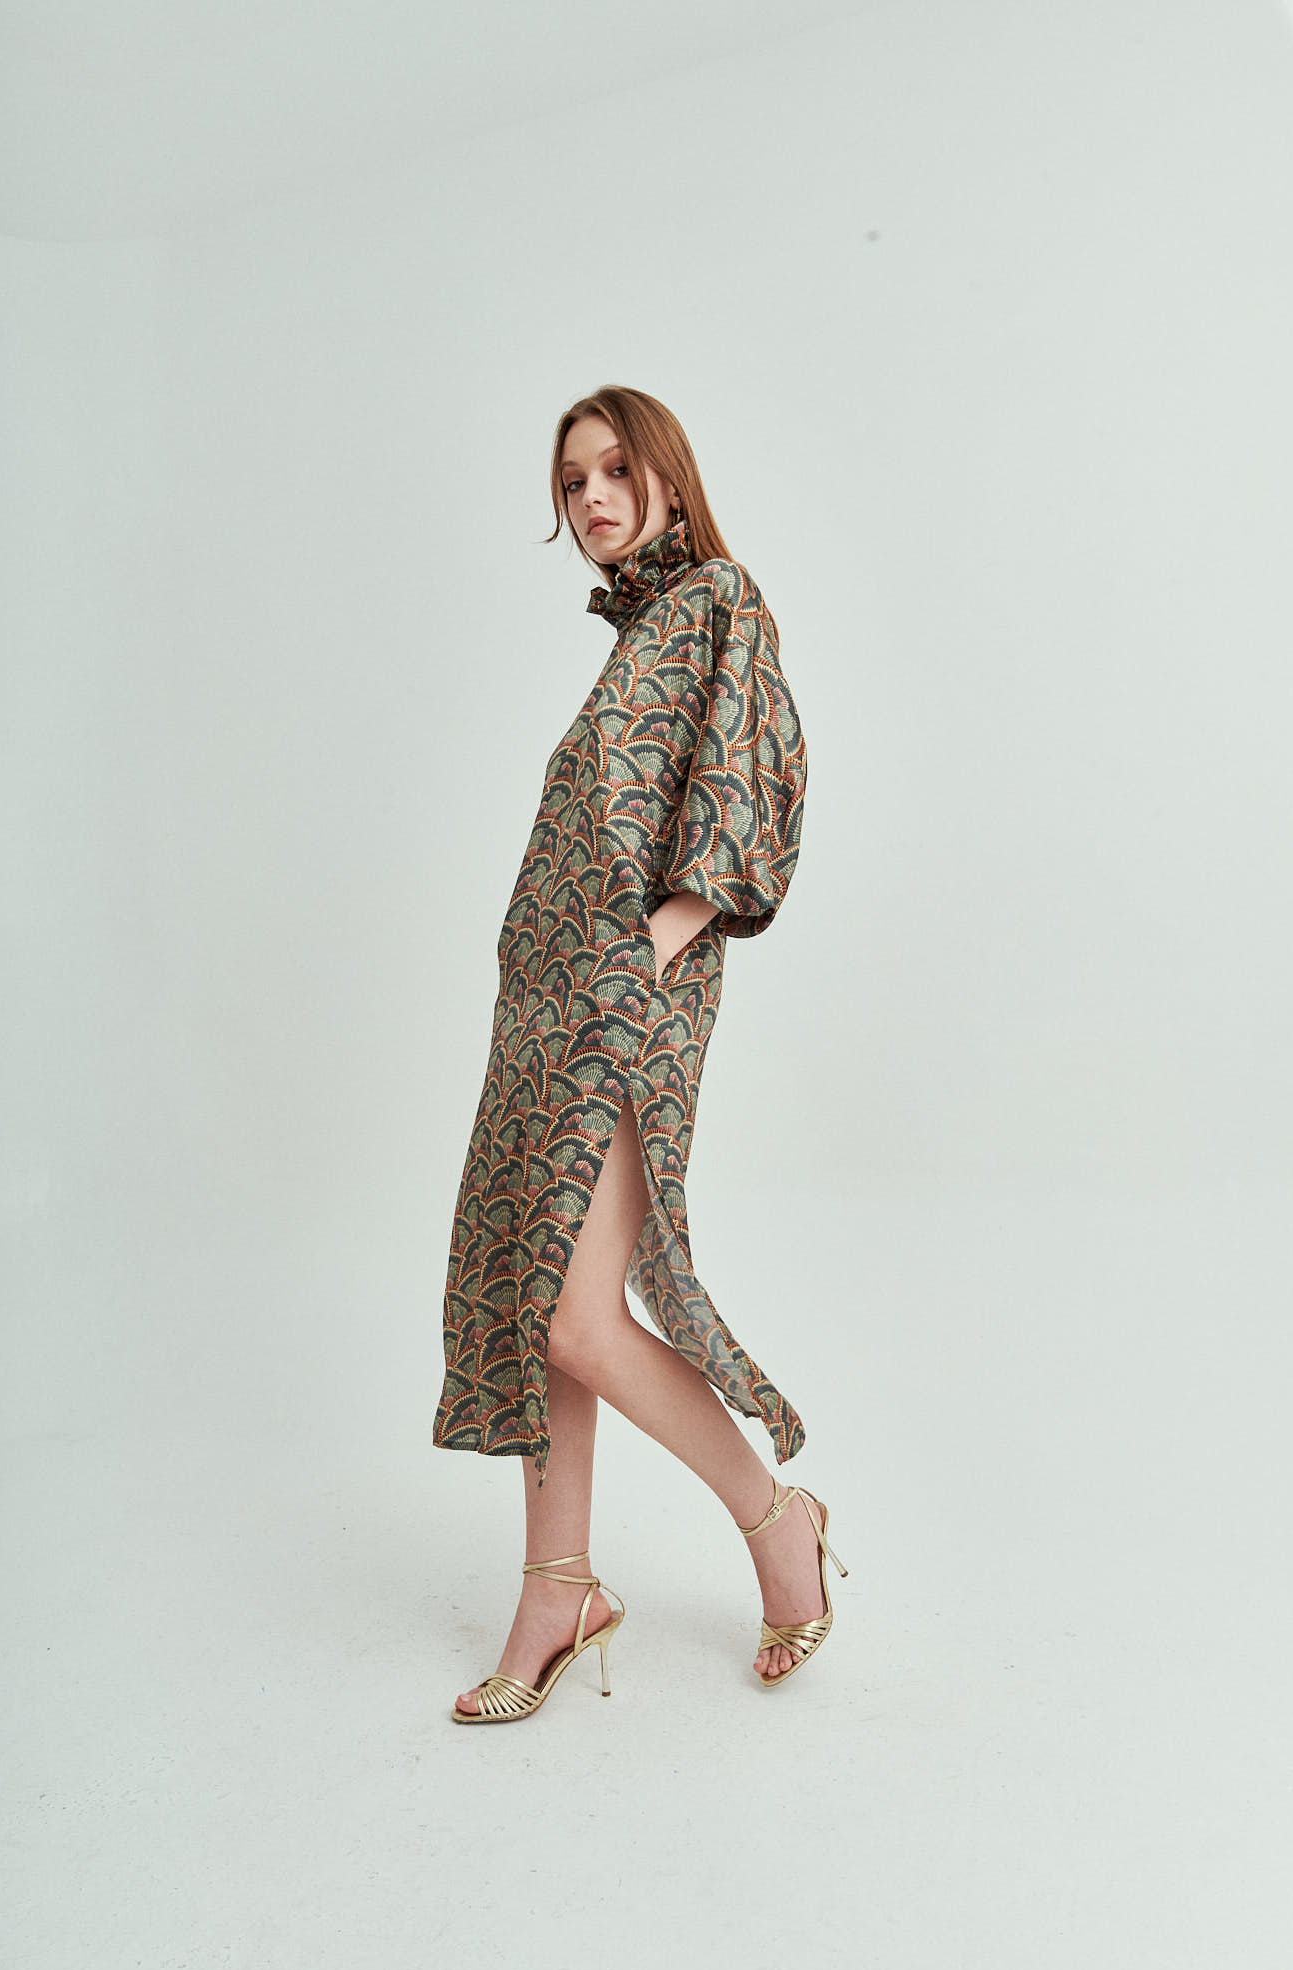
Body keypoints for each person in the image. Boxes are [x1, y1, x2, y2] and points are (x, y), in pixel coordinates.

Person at [433, 384, 845, 1724]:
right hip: (546, 999)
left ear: (670, 471)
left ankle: (776, 1518)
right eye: (573, 483)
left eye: (616, 470)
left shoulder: (720, 600)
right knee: (541, 1300)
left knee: (576, 1314)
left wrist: (660, 937)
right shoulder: (636, 638)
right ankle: (556, 1587)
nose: (594, 498)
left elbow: (755, 770)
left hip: (624, 994)